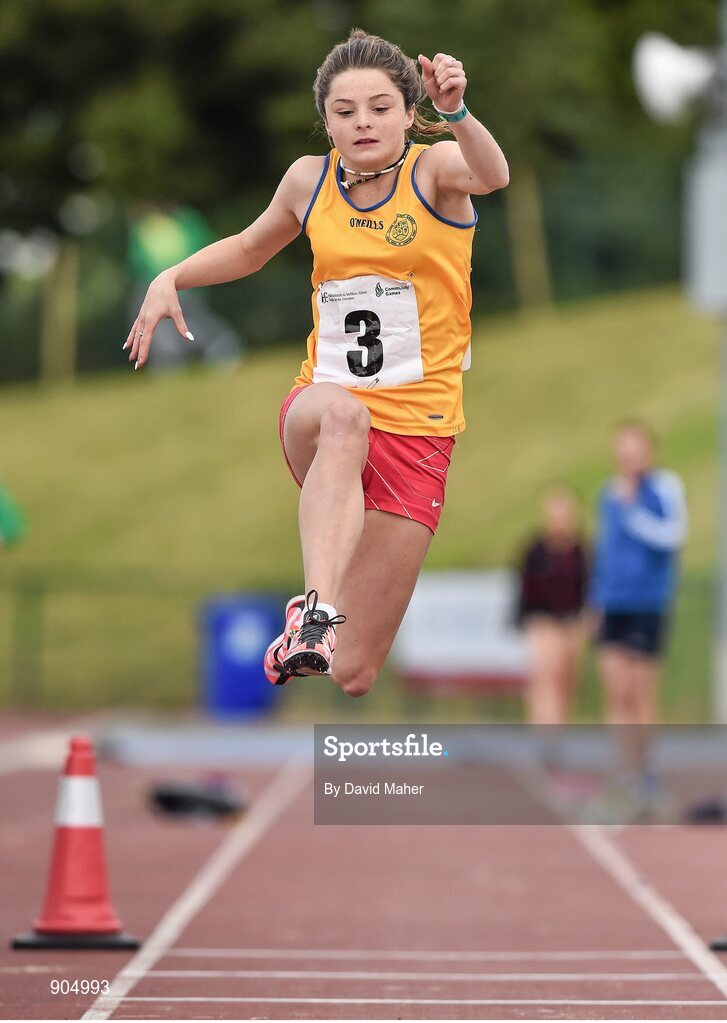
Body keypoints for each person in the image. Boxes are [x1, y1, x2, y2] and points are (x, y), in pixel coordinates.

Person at [124, 29, 509, 695]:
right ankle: (315, 610)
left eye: (380, 107)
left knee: (354, 672)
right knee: (343, 414)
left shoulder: (437, 169)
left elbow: (492, 174)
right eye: (345, 110)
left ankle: (313, 638)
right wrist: (172, 276)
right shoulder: (309, 179)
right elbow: (248, 247)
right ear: (325, 118)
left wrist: (458, 112)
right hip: (322, 409)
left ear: (408, 109)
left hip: (419, 432)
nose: (362, 122)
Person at [589, 420, 688, 814]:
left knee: (642, 694)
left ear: (649, 451)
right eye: (623, 447)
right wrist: (594, 600)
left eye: (636, 447)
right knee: (617, 693)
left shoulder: (664, 487)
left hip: (648, 604)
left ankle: (647, 770)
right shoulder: (607, 493)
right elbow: (605, 549)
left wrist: (635, 514)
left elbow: (674, 536)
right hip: (612, 604)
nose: (628, 455)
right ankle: (624, 772)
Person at [516, 485, 589, 726]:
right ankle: (544, 733)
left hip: (571, 621)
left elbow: (587, 587)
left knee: (566, 682)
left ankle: (559, 729)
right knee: (545, 677)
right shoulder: (535, 550)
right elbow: (525, 589)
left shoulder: (580, 551)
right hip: (543, 621)